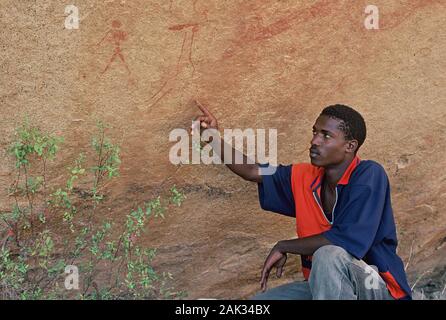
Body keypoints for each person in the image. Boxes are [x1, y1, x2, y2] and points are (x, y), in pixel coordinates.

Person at [190, 101, 412, 300]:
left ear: (350, 146)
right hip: (327, 288)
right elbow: (252, 170)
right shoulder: (304, 177)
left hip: (377, 289)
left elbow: (344, 241)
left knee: (328, 254)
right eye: (315, 132)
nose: (314, 141)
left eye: (326, 135)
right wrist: (212, 137)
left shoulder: (369, 174)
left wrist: (284, 246)